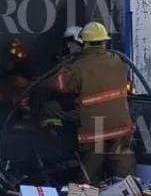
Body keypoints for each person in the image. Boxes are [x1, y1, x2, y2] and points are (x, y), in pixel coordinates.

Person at [50, 21, 136, 183]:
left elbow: (60, 85)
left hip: (95, 129)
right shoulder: (119, 60)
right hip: (121, 126)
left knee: (90, 172)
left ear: (84, 43)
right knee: (124, 171)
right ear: (105, 41)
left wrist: (66, 63)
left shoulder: (78, 67)